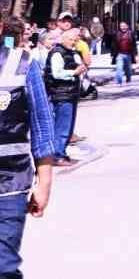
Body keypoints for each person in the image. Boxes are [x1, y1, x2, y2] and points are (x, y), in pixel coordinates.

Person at [0, 16, 57, 279]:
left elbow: (42, 124)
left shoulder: (22, 65)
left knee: (3, 267)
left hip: (10, 185)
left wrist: (44, 183)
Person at [43, 28, 82, 166]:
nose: (74, 42)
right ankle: (57, 155)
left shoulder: (71, 52)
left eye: (76, 40)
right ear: (63, 39)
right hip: (61, 94)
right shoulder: (57, 53)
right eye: (71, 40)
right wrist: (74, 72)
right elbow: (56, 73)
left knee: (68, 127)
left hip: (70, 93)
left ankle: (62, 153)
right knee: (62, 127)